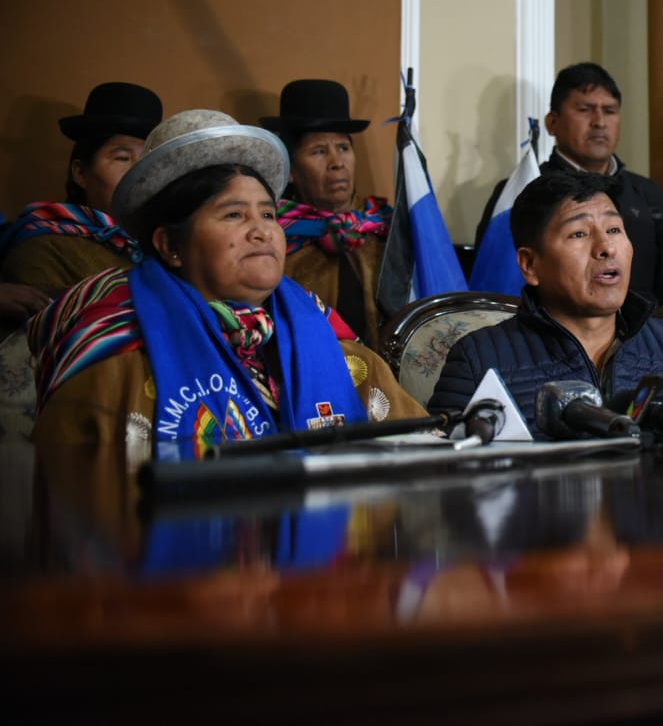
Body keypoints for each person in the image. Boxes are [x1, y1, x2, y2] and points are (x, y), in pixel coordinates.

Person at [28, 109, 427, 502]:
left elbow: (422, 454)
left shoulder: (325, 336)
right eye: (234, 214)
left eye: (268, 214)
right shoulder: (117, 356)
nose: (262, 231)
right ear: (171, 245)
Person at [432, 171, 663, 437]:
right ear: (530, 264)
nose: (606, 247)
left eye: (614, 229)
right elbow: (444, 463)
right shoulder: (478, 360)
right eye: (579, 234)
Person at [474, 62, 663, 305]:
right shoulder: (523, 192)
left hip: (644, 326)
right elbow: (497, 282)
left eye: (609, 111)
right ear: (552, 123)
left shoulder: (646, 192)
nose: (600, 122)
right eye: (585, 109)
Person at [260, 79, 393, 351]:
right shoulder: (274, 238)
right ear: (291, 170)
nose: (337, 163)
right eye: (319, 151)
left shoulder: (383, 227)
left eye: (343, 148)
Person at [0, 81, 162, 297]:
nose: (139, 173)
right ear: (80, 173)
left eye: (147, 161)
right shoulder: (44, 249)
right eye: (122, 158)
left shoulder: (167, 247)